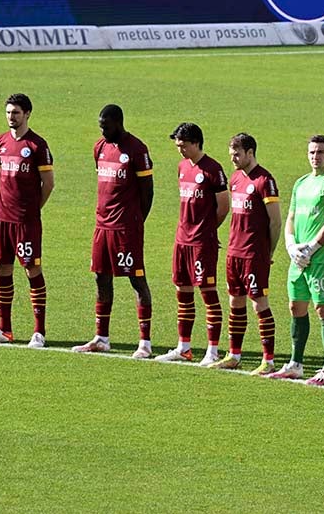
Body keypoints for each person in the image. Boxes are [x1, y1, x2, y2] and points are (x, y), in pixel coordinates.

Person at [73, 105, 154, 359]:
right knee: (100, 277)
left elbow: (147, 193)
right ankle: (101, 337)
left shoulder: (137, 150)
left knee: (136, 280)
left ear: (119, 123)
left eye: (106, 126)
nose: (103, 130)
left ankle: (145, 343)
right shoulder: (99, 148)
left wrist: (136, 221)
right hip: (102, 226)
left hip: (126, 229)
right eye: (100, 126)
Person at [270, 135, 324, 386]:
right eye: (312, 152)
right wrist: (291, 246)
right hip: (299, 257)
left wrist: (311, 248)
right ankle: (295, 363)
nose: (316, 156)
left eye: (321, 152)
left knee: (323, 308)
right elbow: (290, 217)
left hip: (321, 257)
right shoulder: (301, 183)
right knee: (295, 307)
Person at [0, 94, 54, 348]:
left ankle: (39, 332)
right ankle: (4, 329)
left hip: (26, 221)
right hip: (1, 218)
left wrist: (31, 209)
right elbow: (1, 177)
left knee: (32, 270)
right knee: (1, 269)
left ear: (28, 114)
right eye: (9, 112)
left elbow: (48, 184)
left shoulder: (37, 146)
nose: (12, 117)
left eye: (17, 113)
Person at [156, 123, 230, 365]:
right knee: (183, 291)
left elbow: (223, 207)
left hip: (201, 243)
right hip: (182, 241)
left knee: (208, 293)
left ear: (196, 143)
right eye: (178, 146)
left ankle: (212, 350)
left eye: (184, 145)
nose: (181, 150)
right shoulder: (181, 167)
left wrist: (207, 230)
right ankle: (184, 347)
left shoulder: (213, 169)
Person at [209, 133, 281, 374]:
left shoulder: (264, 180)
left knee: (259, 303)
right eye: (231, 155)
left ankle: (268, 360)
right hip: (234, 252)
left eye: (237, 154)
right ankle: (234, 354)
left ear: (250, 153)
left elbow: (275, 222)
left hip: (254, 254)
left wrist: (268, 251)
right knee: (235, 302)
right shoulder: (235, 178)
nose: (234, 159)